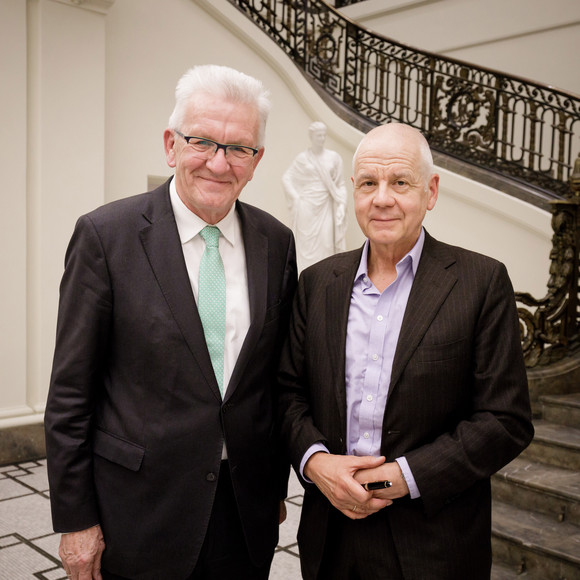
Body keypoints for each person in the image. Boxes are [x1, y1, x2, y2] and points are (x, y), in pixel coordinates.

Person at [44, 64, 297, 580]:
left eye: (239, 148)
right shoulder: (105, 236)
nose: (219, 163)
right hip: (137, 514)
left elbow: (270, 381)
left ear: (257, 160)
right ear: (171, 145)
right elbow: (71, 392)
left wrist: (270, 487)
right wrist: (76, 521)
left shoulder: (277, 242)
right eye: (202, 140)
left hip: (243, 514)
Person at [278, 122, 534, 580]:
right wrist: (316, 463)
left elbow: (506, 420)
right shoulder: (316, 284)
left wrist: (401, 477)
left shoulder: (481, 283)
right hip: (330, 538)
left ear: (430, 191)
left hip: (434, 543)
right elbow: (287, 393)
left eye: (400, 182)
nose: (382, 198)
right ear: (353, 191)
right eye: (368, 184)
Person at [282, 121, 347, 271]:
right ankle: (304, 279)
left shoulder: (334, 158)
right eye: (319, 135)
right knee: (304, 246)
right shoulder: (303, 158)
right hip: (307, 207)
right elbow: (286, 178)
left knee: (326, 243)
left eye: (324, 135)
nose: (322, 138)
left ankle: (323, 278)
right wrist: (296, 198)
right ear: (311, 136)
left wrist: (342, 206)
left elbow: (341, 185)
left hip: (326, 206)